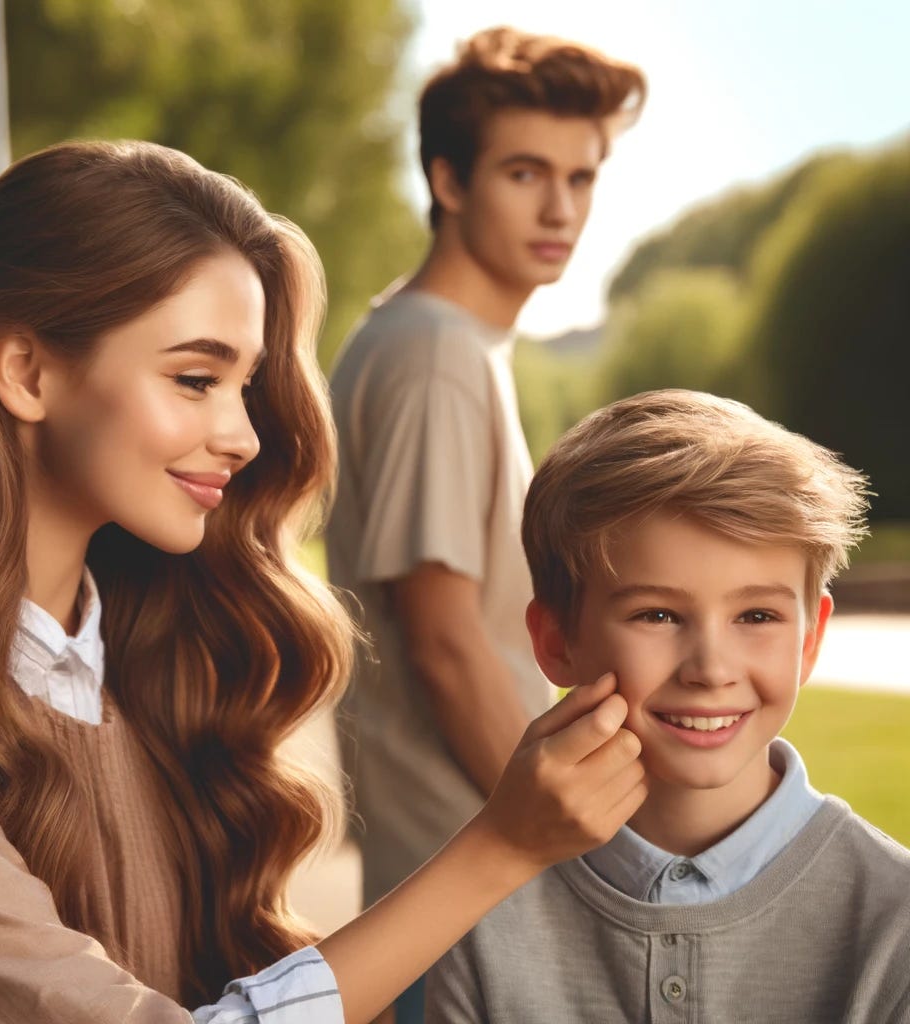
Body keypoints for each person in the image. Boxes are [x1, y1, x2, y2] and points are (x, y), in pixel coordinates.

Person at [0, 139, 651, 1024]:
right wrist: (502, 847)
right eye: (195, 378)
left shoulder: (150, 681)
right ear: (25, 372)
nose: (244, 437)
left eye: (243, 385)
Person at [326, 27, 645, 1021]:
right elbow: (444, 641)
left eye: (581, 177)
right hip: (459, 894)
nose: (561, 208)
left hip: (447, 882)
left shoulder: (431, 341)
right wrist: (573, 832)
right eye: (524, 171)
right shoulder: (433, 355)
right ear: (449, 181)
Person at [425, 389, 910, 1023]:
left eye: (757, 615)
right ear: (555, 641)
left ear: (810, 638)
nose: (710, 669)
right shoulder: (475, 909)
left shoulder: (892, 916)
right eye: (657, 614)